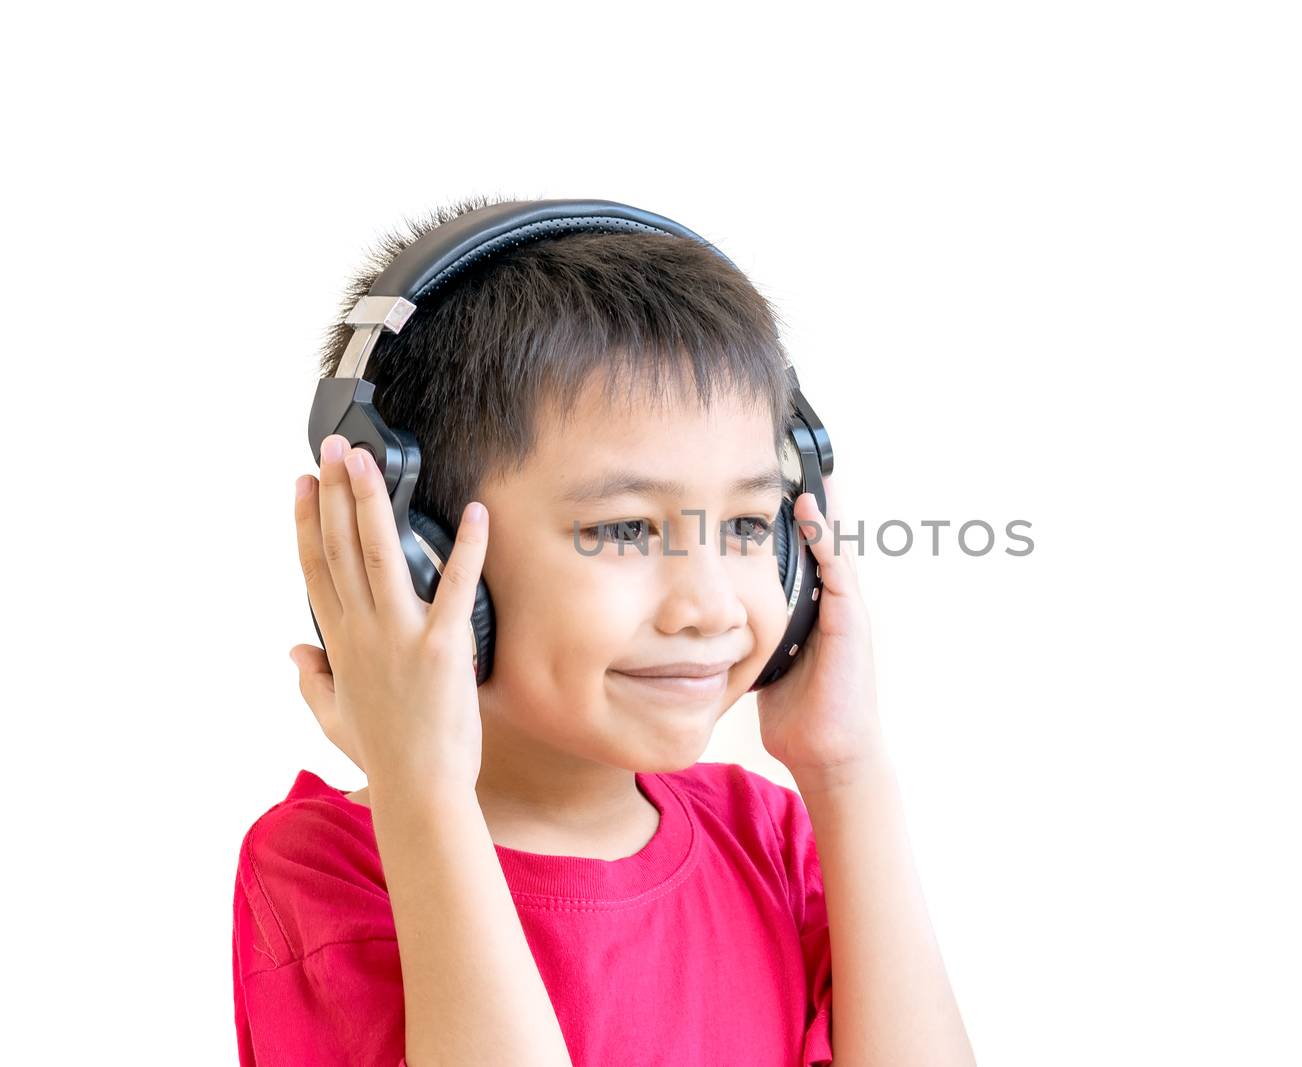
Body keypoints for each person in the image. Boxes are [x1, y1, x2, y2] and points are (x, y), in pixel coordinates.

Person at [230, 196, 976, 1065]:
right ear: (412, 557)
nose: (711, 606)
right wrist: (423, 790)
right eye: (625, 530)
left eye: (744, 527)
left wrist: (846, 771)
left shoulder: (767, 836)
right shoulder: (330, 871)